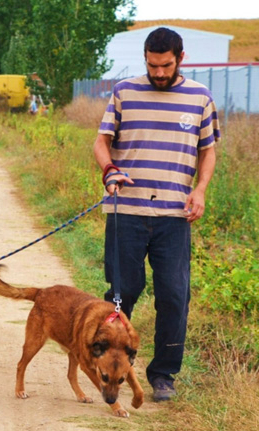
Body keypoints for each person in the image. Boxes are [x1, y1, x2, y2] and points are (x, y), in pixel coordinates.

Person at [93, 27, 218, 402]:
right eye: (152, 65)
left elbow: (208, 150)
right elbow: (102, 141)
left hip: (174, 217)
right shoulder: (124, 91)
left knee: (174, 295)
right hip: (126, 210)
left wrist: (200, 190)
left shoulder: (200, 97)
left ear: (181, 58)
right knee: (122, 292)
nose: (158, 73)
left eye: (165, 66)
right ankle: (104, 360)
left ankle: (163, 374)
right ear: (145, 58)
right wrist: (108, 169)